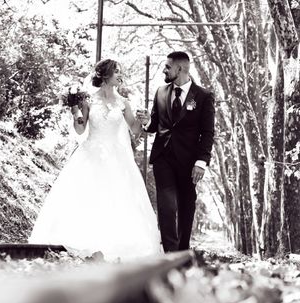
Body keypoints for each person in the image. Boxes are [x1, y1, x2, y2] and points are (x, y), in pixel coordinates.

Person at [29, 59, 162, 261]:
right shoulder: (88, 100)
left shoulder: (124, 102)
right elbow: (80, 130)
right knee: (87, 196)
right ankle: (86, 244)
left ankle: (114, 246)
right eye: (116, 71)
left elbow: (135, 131)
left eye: (120, 71)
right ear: (105, 75)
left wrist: (144, 122)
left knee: (116, 199)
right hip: (91, 153)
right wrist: (75, 114)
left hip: (117, 157)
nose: (120, 75)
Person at [143, 51, 215, 252]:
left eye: (167, 67)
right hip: (162, 157)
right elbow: (154, 125)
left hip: (189, 161)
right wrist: (145, 122)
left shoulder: (203, 96)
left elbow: (208, 132)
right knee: (167, 206)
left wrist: (201, 162)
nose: (164, 70)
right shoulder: (160, 92)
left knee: (186, 205)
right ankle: (170, 253)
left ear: (180, 68)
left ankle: (183, 251)